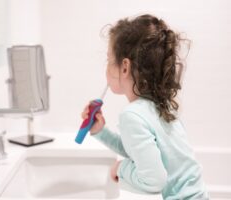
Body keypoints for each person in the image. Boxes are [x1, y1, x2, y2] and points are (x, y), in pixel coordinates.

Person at [81, 14, 209, 199]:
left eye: (109, 60)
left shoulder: (132, 115)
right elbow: (140, 151)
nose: (106, 67)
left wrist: (121, 169)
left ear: (124, 67)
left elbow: (154, 180)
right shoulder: (160, 106)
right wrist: (101, 131)